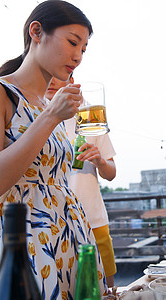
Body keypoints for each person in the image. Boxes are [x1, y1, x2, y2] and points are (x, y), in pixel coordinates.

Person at [0, 1, 107, 297]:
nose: (77, 56)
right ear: (36, 31)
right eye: (72, 42)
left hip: (65, 236)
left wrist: (51, 113)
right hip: (17, 240)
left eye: (83, 49)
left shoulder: (49, 106)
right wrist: (50, 117)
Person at [45, 76, 118, 288]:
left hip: (93, 218)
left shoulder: (88, 113)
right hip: (53, 221)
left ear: (72, 80)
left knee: (106, 288)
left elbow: (111, 173)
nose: (51, 82)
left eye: (57, 78)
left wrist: (100, 161)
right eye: (46, 76)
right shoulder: (34, 114)